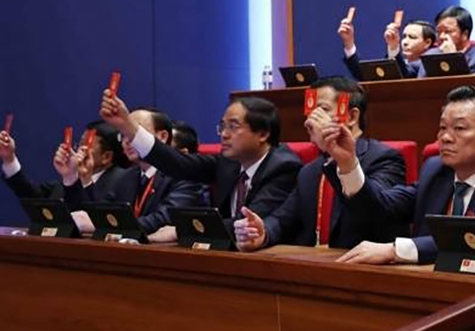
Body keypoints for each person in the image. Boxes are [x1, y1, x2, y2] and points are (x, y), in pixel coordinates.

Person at [333, 86, 475, 266]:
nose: (445, 137)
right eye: (442, 128)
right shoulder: (436, 171)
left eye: (459, 128)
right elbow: (381, 206)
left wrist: (395, 250)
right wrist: (348, 163)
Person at [234, 77, 406, 251]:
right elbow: (282, 219)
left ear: (352, 116)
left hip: (360, 261)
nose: (309, 122)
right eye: (309, 112)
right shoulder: (309, 171)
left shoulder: (384, 159)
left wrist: (341, 158)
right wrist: (262, 232)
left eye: (322, 111)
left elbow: (374, 210)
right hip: (312, 262)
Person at [101, 91, 301, 231]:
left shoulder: (283, 168)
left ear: (263, 134)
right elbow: (176, 163)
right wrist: (127, 127)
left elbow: (247, 223)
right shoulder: (229, 162)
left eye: (233, 126)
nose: (224, 134)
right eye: (222, 126)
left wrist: (181, 229)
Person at [66, 107, 204, 238]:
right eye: (123, 134)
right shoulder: (127, 176)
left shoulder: (184, 175)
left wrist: (109, 225)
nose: (127, 140)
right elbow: (103, 212)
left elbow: (164, 219)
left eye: (135, 133)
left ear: (162, 136)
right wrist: (81, 178)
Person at [1, 120, 127, 202]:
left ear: (106, 157)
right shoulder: (66, 182)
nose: (79, 151)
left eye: (86, 146)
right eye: (79, 144)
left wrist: (83, 180)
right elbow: (32, 198)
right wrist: (9, 159)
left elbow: (97, 218)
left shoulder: (122, 183)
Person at [338, 14, 436, 80]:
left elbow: (404, 75)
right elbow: (365, 76)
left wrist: (393, 48)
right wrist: (349, 43)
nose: (405, 42)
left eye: (412, 37)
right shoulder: (396, 61)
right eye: (404, 36)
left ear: (427, 42)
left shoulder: (425, 67)